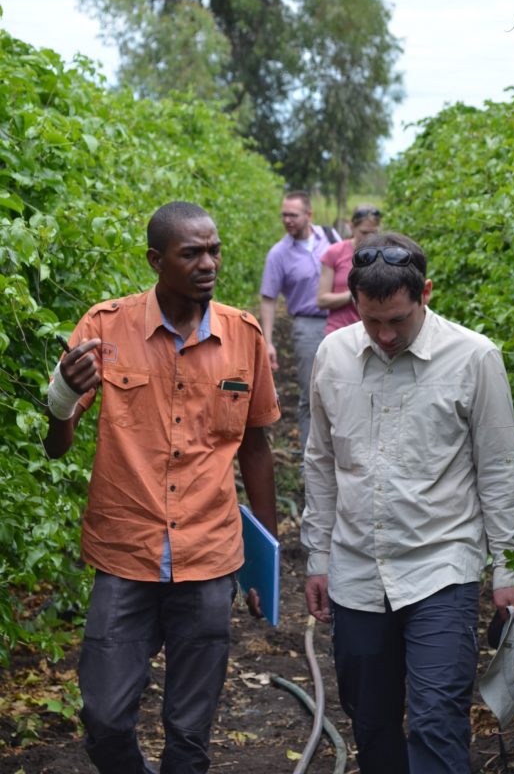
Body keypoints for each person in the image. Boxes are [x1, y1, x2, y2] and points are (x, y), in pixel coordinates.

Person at [44, 201, 280, 774]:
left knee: (189, 734)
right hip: (126, 552)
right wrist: (60, 399)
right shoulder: (104, 328)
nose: (208, 264)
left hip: (209, 555)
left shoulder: (243, 336)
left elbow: (254, 448)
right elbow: (57, 443)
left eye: (214, 250)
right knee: (103, 719)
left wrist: (264, 564)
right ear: (156, 260)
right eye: (191, 253)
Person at [301, 232, 514, 774]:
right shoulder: (332, 355)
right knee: (371, 717)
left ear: (424, 293)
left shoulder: (474, 357)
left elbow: (500, 466)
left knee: (436, 717)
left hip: (441, 565)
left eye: (398, 321)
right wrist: (318, 557)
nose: (384, 335)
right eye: (371, 320)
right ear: (353, 301)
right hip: (357, 567)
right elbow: (320, 460)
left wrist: (508, 570)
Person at [259, 190, 336, 452]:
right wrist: (267, 342)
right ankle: (311, 460)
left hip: (343, 319)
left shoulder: (331, 239)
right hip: (307, 325)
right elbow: (268, 298)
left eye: (293, 215)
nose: (287, 220)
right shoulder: (278, 254)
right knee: (311, 393)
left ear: (308, 215)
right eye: (284, 215)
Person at [316, 205, 381, 335]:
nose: (369, 238)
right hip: (339, 330)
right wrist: (354, 295)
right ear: (352, 227)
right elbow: (322, 300)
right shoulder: (335, 252)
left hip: (374, 332)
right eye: (364, 232)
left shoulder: (385, 254)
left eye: (373, 232)